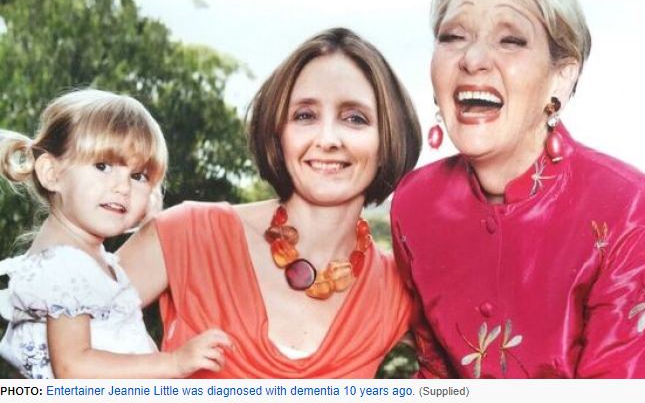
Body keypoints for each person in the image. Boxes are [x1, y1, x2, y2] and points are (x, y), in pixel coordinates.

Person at [391, 0, 645, 378]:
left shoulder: (630, 208)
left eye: (511, 40)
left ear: (561, 77)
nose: (472, 59)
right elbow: (435, 376)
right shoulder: (414, 201)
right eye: (453, 37)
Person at [118, 27, 422, 378]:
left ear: (389, 138)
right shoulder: (187, 234)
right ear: (278, 132)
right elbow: (48, 343)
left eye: (355, 118)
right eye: (304, 116)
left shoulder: (398, 287)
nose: (327, 139)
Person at [0, 90, 230, 378]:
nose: (123, 187)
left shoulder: (93, 261)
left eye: (138, 176)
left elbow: (127, 339)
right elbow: (73, 370)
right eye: (102, 166)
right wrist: (173, 363)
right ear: (52, 173)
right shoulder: (63, 266)